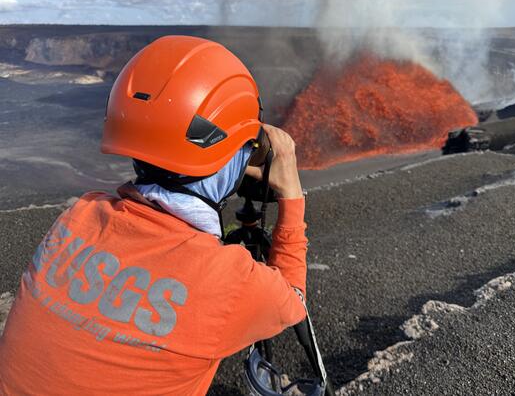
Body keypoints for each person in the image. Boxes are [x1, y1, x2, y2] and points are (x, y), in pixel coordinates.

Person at [0, 36, 308, 395]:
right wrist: (290, 193)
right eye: (246, 148)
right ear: (229, 152)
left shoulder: (80, 216)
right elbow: (294, 301)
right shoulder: (228, 279)